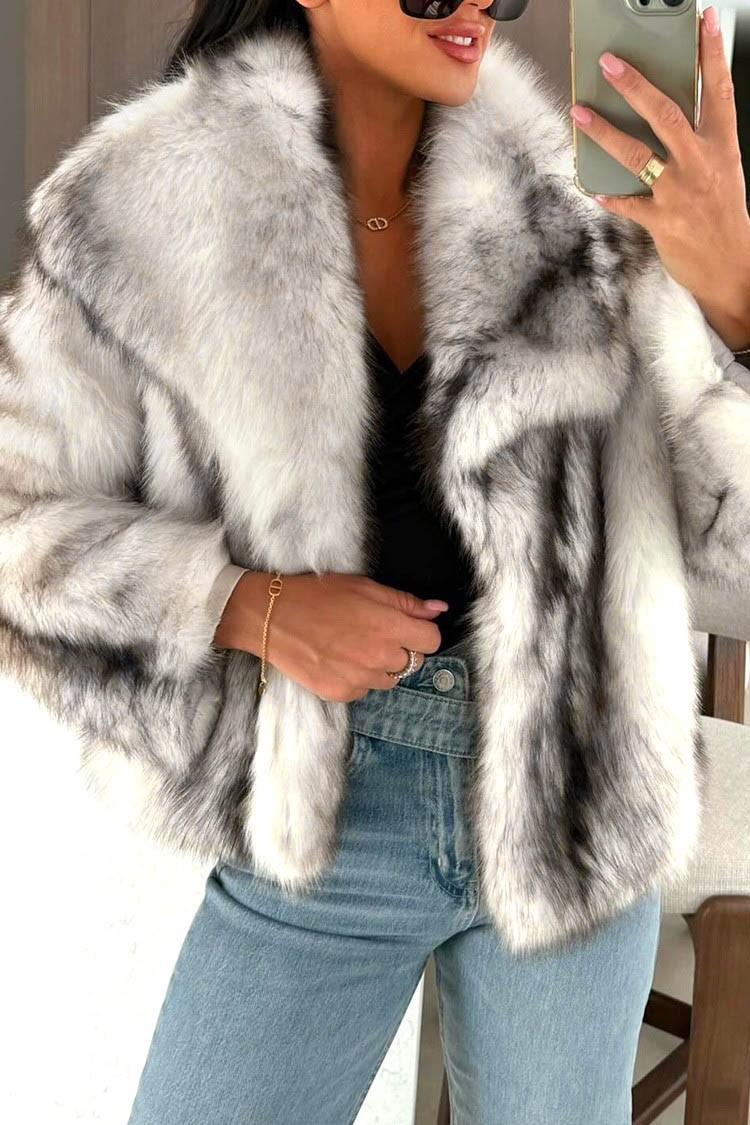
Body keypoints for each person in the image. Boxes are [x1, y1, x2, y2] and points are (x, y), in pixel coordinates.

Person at [2, 1, 750, 1121]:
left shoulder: (578, 208)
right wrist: (249, 606)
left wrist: (737, 299)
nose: (473, 9)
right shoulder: (140, 205)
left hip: (576, 795)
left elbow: (730, 560)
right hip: (324, 815)